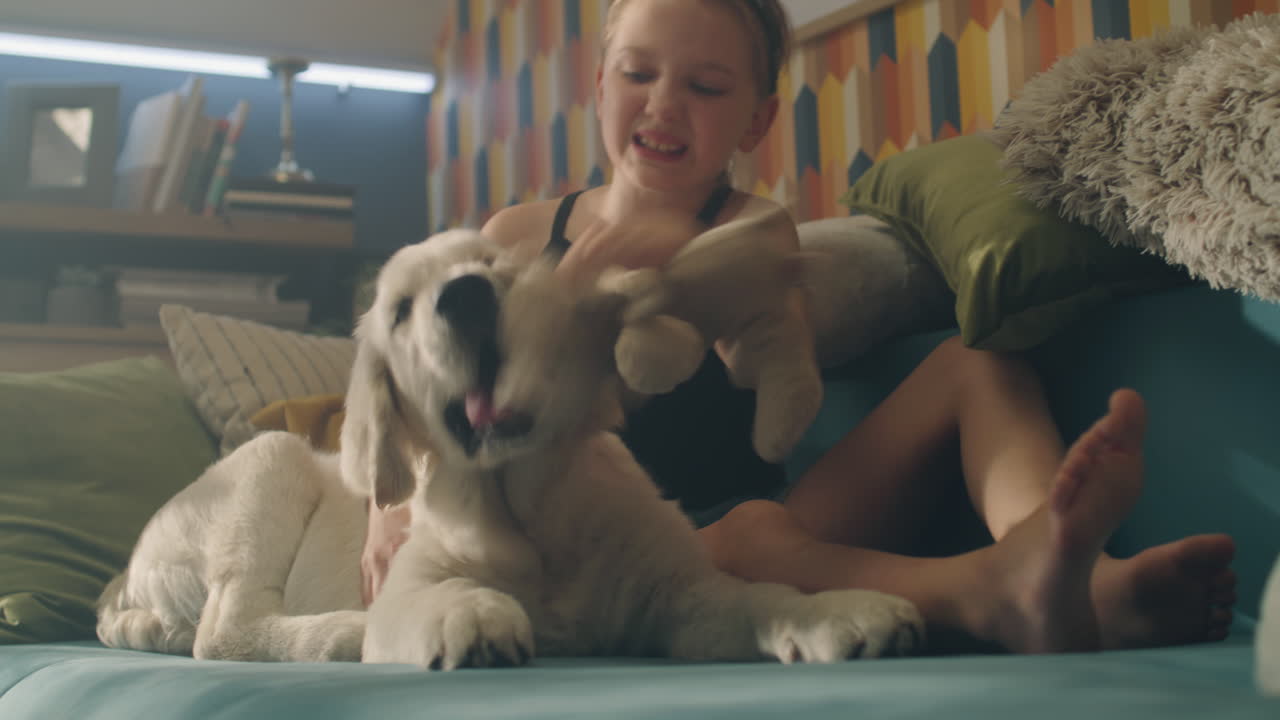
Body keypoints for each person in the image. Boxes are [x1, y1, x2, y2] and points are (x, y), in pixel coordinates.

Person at [361, 0, 1237, 654]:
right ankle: (989, 591)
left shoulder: (757, 229)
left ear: (757, 120)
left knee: (976, 365)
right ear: (598, 85)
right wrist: (386, 509)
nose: (665, 105)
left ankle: (1063, 564)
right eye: (638, 74)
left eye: (705, 87)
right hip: (623, 546)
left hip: (742, 516)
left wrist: (640, 269)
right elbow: (426, 374)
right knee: (742, 545)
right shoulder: (513, 239)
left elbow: (748, 346)